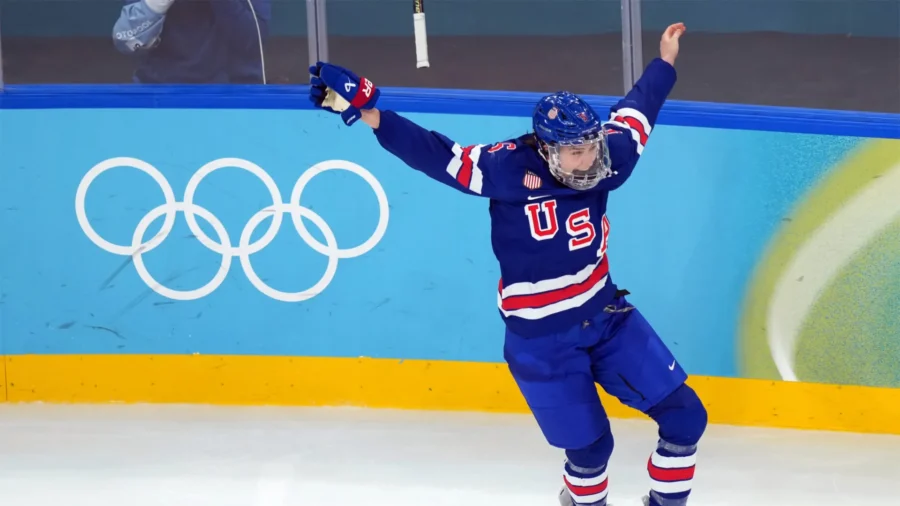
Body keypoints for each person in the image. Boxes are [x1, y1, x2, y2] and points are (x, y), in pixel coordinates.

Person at [309, 22, 706, 506]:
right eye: (576, 152)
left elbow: (639, 111)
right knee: (591, 451)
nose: (589, 161)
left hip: (606, 318)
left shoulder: (608, 155)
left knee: (687, 417)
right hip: (542, 343)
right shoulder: (507, 166)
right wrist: (373, 115)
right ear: (548, 148)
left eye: (591, 147)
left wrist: (665, 61)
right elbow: (436, 155)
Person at [112, 0, 270, 84]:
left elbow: (252, 41)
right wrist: (157, 4)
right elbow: (128, 43)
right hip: (161, 93)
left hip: (231, 95)